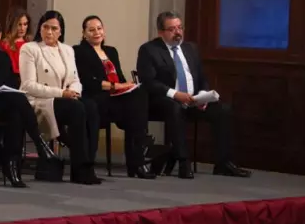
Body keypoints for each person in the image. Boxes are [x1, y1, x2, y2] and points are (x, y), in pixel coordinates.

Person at [136, 11, 251, 179]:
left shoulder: (190, 48)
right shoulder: (149, 50)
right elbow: (148, 81)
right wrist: (176, 94)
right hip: (164, 101)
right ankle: (184, 161)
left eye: (180, 28)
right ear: (161, 32)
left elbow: (201, 78)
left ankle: (224, 163)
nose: (178, 32)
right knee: (174, 108)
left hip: (192, 101)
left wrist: (203, 96)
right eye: (172, 29)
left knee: (223, 110)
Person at [0, 17, 60, 188]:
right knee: (18, 100)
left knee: (16, 115)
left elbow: (12, 83)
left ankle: (12, 166)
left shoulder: (3, 57)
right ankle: (38, 143)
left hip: (3, 105)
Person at [19, 10, 102, 185]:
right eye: (45, 27)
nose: (49, 32)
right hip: (41, 101)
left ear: (60, 31)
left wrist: (74, 92)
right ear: (40, 28)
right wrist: (62, 93)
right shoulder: (30, 49)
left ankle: (87, 163)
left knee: (91, 107)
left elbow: (75, 79)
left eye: (54, 28)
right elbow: (28, 85)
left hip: (65, 98)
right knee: (77, 109)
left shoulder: (67, 50)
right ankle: (81, 168)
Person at [73, 15, 155, 179]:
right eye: (91, 30)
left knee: (139, 95)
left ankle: (137, 160)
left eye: (99, 28)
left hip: (117, 97)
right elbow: (87, 81)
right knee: (134, 112)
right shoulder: (79, 51)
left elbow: (121, 79)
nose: (97, 32)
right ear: (84, 34)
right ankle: (138, 157)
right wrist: (114, 87)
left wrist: (129, 86)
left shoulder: (111, 51)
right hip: (96, 97)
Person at [0, 7, 32, 77]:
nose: (22, 28)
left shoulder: (30, 44)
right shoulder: (4, 45)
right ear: (12, 24)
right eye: (19, 24)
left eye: (25, 24)